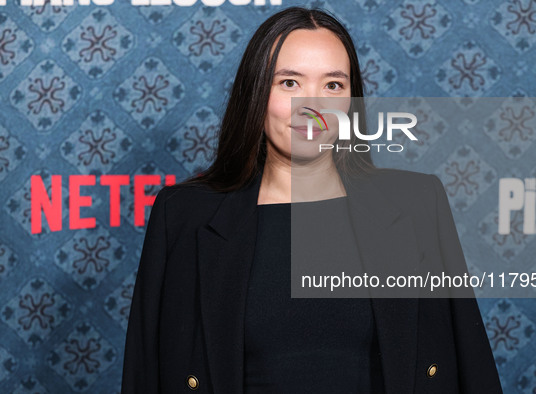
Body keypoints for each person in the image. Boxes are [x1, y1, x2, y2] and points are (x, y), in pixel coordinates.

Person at [121, 6, 503, 394]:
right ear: (255, 93)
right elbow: (144, 374)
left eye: (333, 85)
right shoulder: (183, 215)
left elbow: (472, 367)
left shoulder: (418, 203)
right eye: (289, 83)